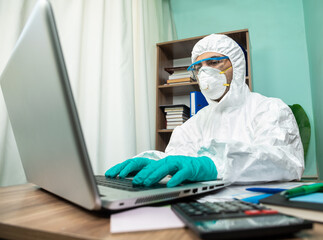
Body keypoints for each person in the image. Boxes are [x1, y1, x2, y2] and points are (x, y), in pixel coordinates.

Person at [105, 34, 304, 187]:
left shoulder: (270, 109)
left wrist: (212, 165)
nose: (205, 72)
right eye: (198, 67)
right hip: (199, 208)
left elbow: (284, 161)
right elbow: (178, 160)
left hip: (256, 209)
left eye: (214, 62)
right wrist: (152, 160)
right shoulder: (194, 123)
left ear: (237, 66)